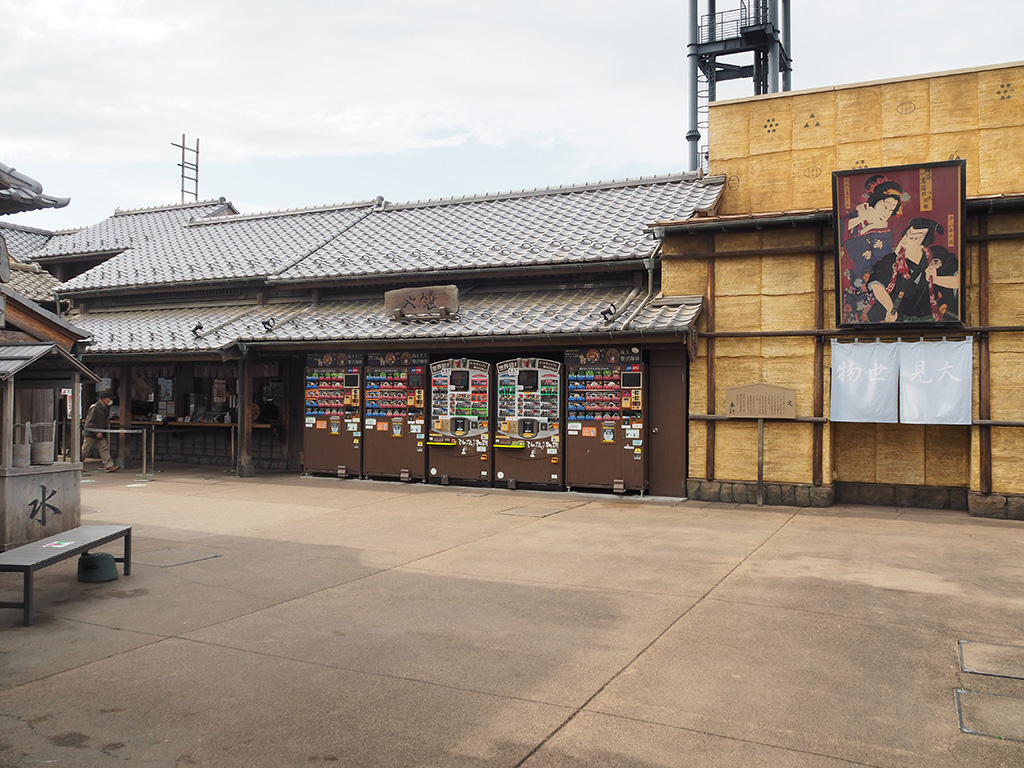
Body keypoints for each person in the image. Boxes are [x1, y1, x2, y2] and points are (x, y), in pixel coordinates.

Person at [865, 218, 960, 323]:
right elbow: (876, 285)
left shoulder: (938, 255)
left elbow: (959, 281)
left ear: (925, 241)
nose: (906, 240)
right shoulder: (892, 259)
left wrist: (935, 279)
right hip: (898, 320)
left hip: (930, 320)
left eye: (914, 238)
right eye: (907, 234)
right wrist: (890, 308)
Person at [840, 176, 907, 322]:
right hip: (847, 283)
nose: (886, 213)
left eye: (891, 210)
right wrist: (859, 219)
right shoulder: (857, 217)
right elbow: (838, 232)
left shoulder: (885, 233)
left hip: (867, 287)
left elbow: (880, 263)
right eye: (885, 206)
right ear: (874, 202)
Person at [82, 390, 118, 472]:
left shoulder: (104, 408)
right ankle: (77, 465)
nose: (110, 400)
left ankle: (109, 465)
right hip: (91, 433)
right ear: (104, 399)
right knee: (85, 450)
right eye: (109, 398)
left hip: (100, 432)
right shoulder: (95, 407)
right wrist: (96, 432)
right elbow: (90, 422)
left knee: (104, 448)